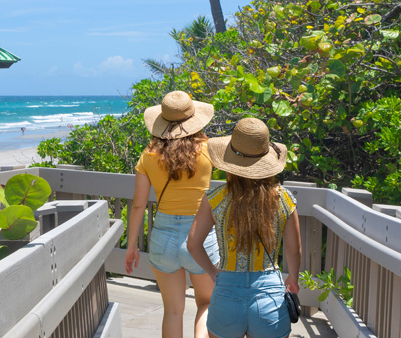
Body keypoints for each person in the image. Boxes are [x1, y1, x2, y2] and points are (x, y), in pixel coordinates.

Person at [188, 117, 302, 338]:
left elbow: (193, 244)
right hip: (269, 296)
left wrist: (213, 272)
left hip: (226, 294)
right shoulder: (284, 199)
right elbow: (294, 250)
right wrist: (293, 278)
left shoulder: (215, 199)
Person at [123, 91, 220, 338]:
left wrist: (132, 244)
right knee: (206, 304)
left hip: (162, 238)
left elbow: (138, 205)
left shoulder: (148, 155)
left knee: (173, 311)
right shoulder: (209, 150)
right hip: (200, 238)